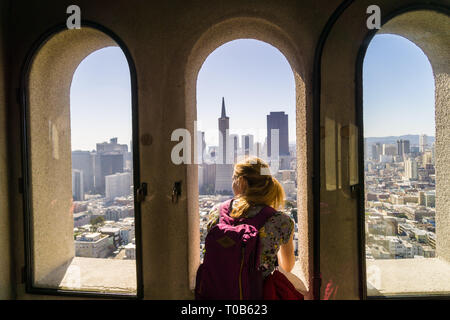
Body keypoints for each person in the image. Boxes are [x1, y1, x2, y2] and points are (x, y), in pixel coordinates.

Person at [204, 157, 296, 279]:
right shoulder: (280, 221)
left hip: (218, 290)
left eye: (233, 179)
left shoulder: (216, 212)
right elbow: (287, 267)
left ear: (241, 181)